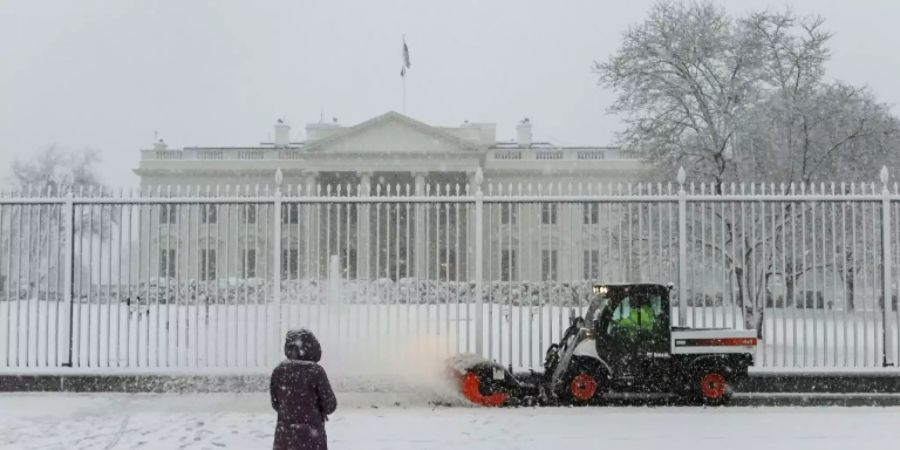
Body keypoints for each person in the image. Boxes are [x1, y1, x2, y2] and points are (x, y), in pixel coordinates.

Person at [270, 329, 337, 450]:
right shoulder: (316, 371)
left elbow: (275, 403)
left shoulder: (279, 370)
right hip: (312, 438)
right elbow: (330, 405)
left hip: (285, 438)